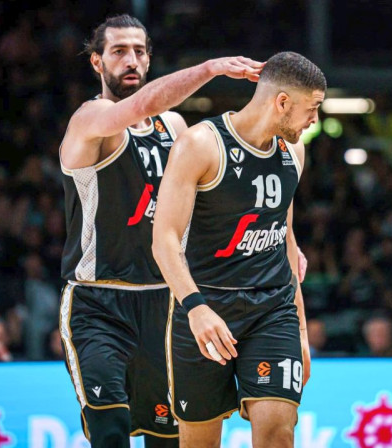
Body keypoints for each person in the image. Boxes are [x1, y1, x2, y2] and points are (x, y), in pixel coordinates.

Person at [57, 13, 264, 448]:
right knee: (109, 432)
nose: (130, 60)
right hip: (99, 303)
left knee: (167, 441)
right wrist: (209, 69)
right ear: (97, 63)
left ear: (149, 60)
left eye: (138, 51)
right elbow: (141, 106)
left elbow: (205, 199)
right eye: (118, 52)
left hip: (166, 303)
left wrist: (276, 234)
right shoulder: (91, 119)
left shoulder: (173, 127)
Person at [151, 51, 325, 448]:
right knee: (199, 442)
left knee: (278, 432)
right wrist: (194, 307)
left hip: (272, 310)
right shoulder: (199, 144)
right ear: (282, 102)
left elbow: (285, 237)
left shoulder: (293, 152)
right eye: (311, 109)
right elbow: (164, 239)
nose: (315, 120)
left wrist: (299, 328)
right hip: (206, 307)